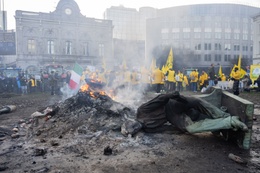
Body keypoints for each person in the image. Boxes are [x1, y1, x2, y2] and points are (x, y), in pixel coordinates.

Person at [122, 91, 248, 136]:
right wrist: (181, 129)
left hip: (171, 104)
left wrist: (172, 95)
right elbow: (167, 128)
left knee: (195, 101)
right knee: (191, 128)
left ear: (131, 121)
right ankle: (229, 121)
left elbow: (159, 99)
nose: (136, 128)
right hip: (173, 117)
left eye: (132, 126)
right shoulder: (147, 129)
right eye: (134, 130)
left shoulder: (141, 110)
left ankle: (222, 115)